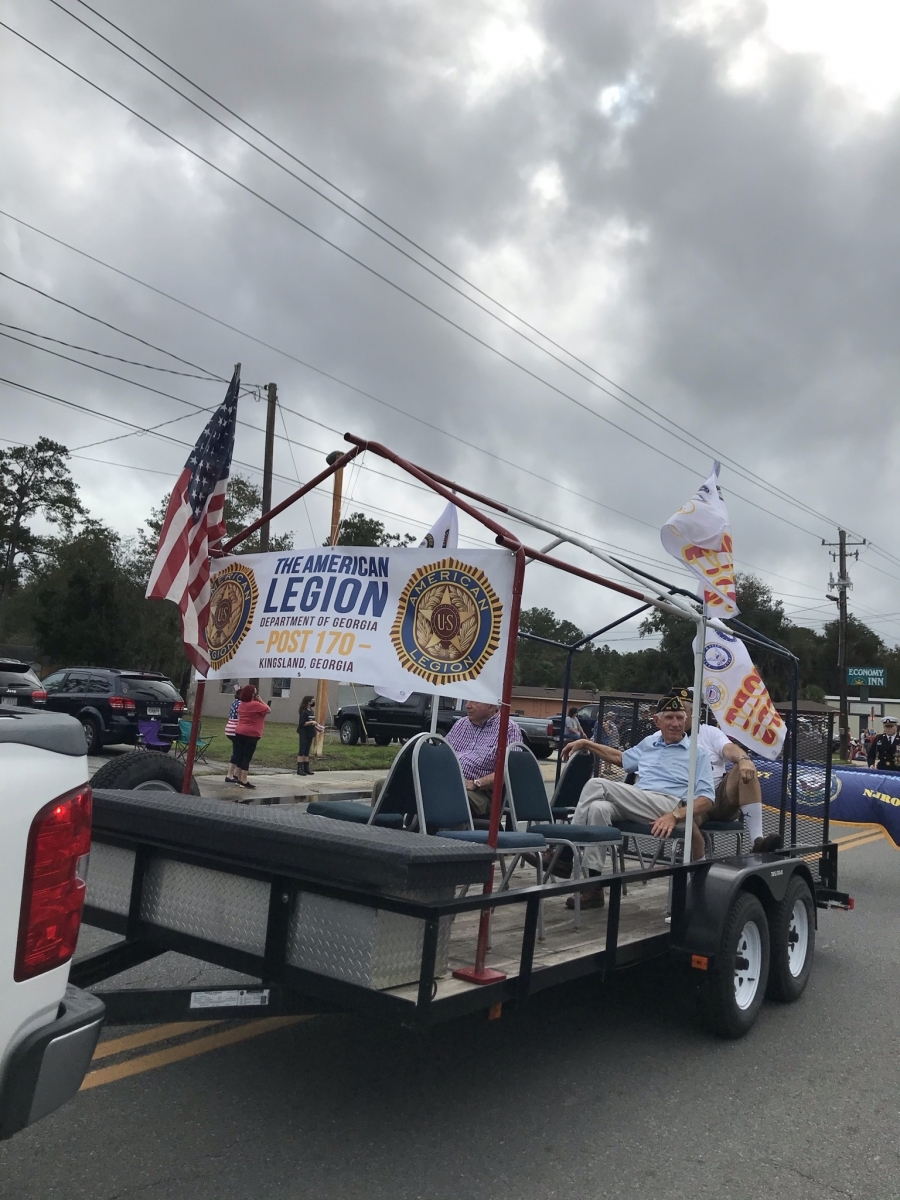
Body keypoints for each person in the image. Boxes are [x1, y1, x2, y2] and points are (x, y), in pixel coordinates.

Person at [560, 694, 714, 907]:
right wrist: (586, 742)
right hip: (640, 802)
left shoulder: (698, 752)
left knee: (596, 784)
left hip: (669, 805)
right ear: (657, 721)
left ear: (686, 720)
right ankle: (593, 887)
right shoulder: (649, 742)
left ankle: (566, 855)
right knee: (598, 808)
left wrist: (675, 815)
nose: (676, 723)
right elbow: (620, 759)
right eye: (669, 717)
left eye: (680, 717)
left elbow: (707, 799)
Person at [677, 689, 781, 853]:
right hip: (688, 801)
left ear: (693, 712)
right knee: (687, 817)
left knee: (744, 769)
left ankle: (758, 841)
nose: (675, 719)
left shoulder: (709, 732)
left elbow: (729, 748)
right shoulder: (661, 738)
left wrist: (743, 759)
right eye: (671, 713)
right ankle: (689, 850)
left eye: (680, 711)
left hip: (718, 798)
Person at [446, 700, 523, 818]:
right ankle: (416, 832)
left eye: (475, 702)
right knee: (418, 789)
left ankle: (443, 836)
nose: (467, 705)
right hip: (448, 782)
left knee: (448, 796)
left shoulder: (508, 728)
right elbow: (443, 752)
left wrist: (476, 783)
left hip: (480, 792)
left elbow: (509, 771)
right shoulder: (461, 724)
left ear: (491, 705)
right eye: (468, 701)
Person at [229, 685, 270, 791]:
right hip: (251, 734)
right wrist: (260, 700)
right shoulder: (256, 705)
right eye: (255, 693)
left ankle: (237, 776)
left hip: (239, 732)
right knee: (247, 757)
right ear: (253, 694)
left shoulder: (242, 704)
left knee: (240, 755)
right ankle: (244, 780)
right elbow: (268, 709)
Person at [296, 694, 324, 776]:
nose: (313, 701)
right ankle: (299, 768)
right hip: (304, 732)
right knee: (302, 750)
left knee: (307, 750)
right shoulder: (304, 712)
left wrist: (318, 727)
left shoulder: (311, 711)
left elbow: (314, 722)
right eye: (312, 700)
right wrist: (311, 722)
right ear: (308, 702)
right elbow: (302, 723)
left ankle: (306, 767)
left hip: (310, 732)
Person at [223, 684, 242, 785]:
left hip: (229, 727)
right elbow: (240, 717)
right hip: (235, 729)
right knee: (237, 752)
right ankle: (230, 775)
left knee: (237, 750)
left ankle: (233, 774)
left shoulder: (234, 702)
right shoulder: (241, 704)